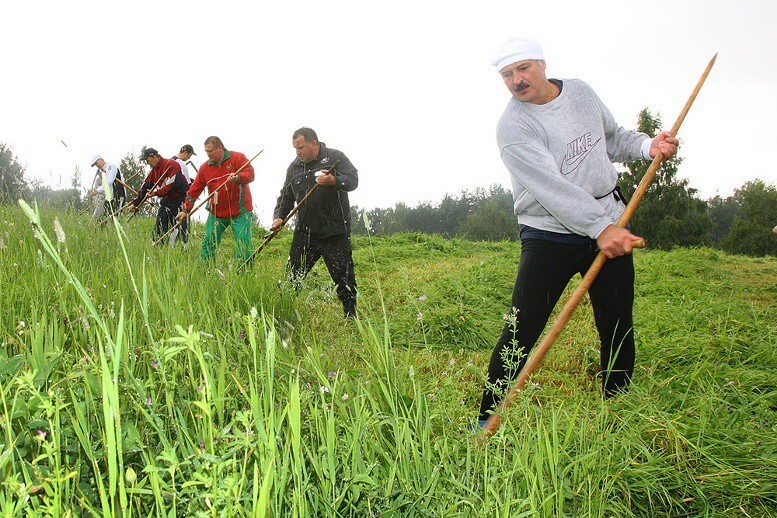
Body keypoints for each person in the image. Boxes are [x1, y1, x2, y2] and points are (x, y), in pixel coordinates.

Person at [476, 38, 679, 427]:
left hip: (609, 218)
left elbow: (613, 137)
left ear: (542, 63)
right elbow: (553, 189)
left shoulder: (581, 93)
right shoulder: (513, 128)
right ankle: (487, 416)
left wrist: (647, 145)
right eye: (507, 75)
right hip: (549, 233)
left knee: (617, 319)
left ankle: (616, 408)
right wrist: (598, 227)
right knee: (523, 326)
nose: (517, 80)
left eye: (523, 69)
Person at [271, 127, 359, 318]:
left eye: (301, 147)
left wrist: (334, 180)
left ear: (314, 143)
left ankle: (351, 316)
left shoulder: (336, 157)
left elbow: (353, 180)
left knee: (344, 278)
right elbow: (286, 196)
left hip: (334, 231)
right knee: (291, 277)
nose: (298, 152)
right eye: (295, 148)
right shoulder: (294, 168)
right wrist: (279, 216)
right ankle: (280, 315)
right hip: (305, 232)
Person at [176, 136, 255, 262]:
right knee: (208, 243)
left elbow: (250, 174)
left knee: (244, 245)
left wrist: (238, 177)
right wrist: (186, 210)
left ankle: (246, 274)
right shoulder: (204, 168)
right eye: (206, 151)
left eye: (211, 151)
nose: (208, 154)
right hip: (216, 213)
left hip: (240, 211)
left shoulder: (238, 158)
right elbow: (194, 190)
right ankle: (203, 273)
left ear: (220, 148)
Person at [128, 148, 189, 245]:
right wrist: (135, 204)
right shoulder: (153, 172)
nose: (148, 164)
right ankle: (157, 246)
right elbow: (145, 188)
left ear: (154, 156)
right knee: (160, 224)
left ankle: (183, 247)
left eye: (148, 161)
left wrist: (156, 193)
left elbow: (172, 186)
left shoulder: (172, 165)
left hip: (179, 200)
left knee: (181, 227)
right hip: (167, 201)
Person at [88, 154, 125, 222]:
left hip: (119, 195)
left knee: (116, 217)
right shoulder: (103, 171)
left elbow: (109, 181)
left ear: (101, 159)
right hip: (110, 197)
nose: (97, 165)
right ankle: (102, 232)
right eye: (95, 165)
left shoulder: (111, 166)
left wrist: (97, 191)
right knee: (103, 219)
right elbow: (106, 187)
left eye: (96, 163)